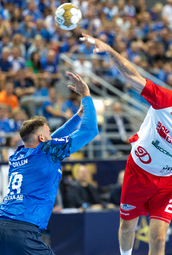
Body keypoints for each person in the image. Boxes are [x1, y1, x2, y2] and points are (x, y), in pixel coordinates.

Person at [80, 33, 172, 255]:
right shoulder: (168, 100)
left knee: (159, 239)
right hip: (139, 172)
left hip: (167, 181)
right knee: (127, 227)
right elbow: (132, 76)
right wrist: (111, 51)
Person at [0, 72, 99, 255]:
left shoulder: (18, 155)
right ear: (40, 137)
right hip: (24, 231)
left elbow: (55, 138)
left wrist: (77, 115)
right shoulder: (46, 151)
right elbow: (90, 130)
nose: (51, 135)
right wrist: (86, 97)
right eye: (47, 133)